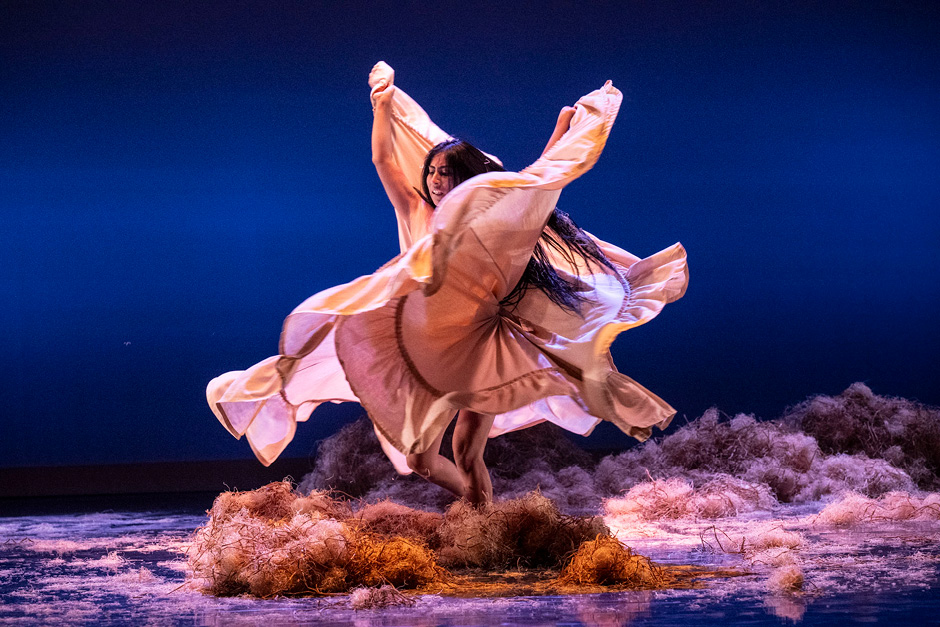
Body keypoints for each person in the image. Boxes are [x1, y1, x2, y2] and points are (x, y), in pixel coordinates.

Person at [206, 62, 688, 505]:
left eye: (447, 173)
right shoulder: (416, 209)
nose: (437, 180)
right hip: (426, 345)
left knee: (466, 451)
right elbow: (382, 160)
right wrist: (382, 103)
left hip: (481, 345)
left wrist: (563, 132)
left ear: (466, 177)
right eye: (433, 171)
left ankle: (484, 522)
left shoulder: (489, 219)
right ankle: (482, 512)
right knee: (420, 460)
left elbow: (536, 186)